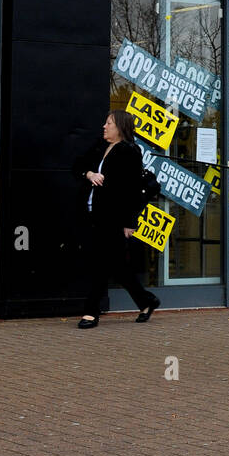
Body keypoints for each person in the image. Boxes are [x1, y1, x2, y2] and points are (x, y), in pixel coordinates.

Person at [72, 110, 161, 328]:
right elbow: (78, 165)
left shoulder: (129, 151)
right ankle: (147, 301)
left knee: (100, 263)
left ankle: (91, 312)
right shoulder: (101, 146)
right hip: (94, 214)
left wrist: (130, 222)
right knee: (118, 266)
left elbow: (131, 190)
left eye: (108, 123)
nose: (104, 126)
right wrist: (90, 174)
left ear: (120, 127)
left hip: (112, 217)